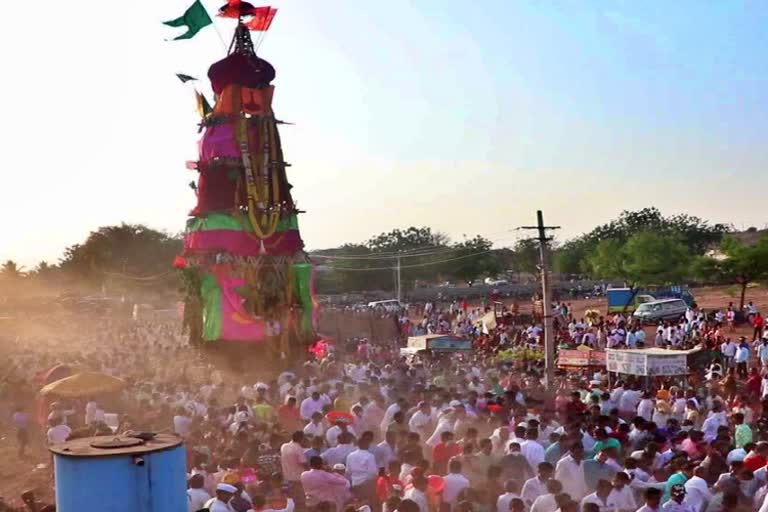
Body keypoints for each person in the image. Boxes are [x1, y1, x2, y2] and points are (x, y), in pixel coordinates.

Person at [346, 438, 378, 505]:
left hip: (355, 484)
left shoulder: (350, 456)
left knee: (357, 504)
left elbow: (348, 471)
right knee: (367, 505)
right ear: (367, 445)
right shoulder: (370, 456)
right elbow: (373, 473)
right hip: (366, 485)